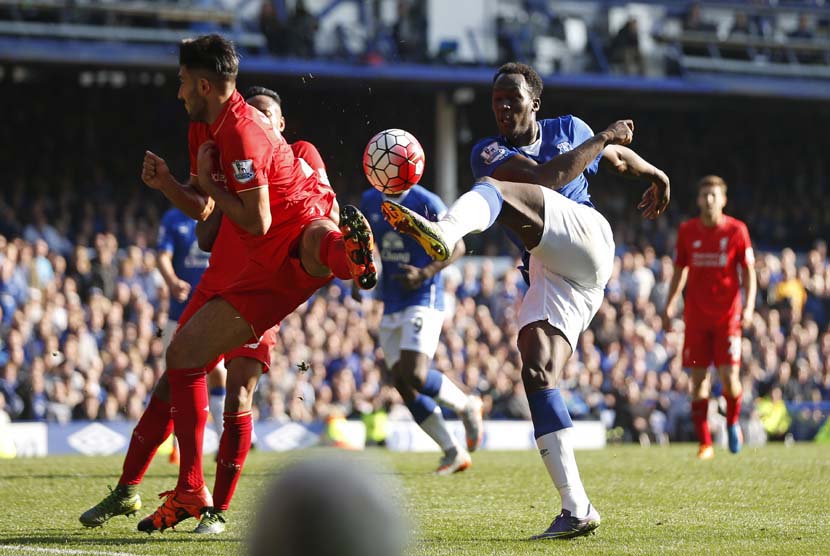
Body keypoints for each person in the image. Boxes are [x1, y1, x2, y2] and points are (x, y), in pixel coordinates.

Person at [381, 62, 670, 539]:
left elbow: (619, 159)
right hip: (552, 269)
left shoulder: (567, 129)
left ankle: (445, 231)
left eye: (511, 99)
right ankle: (577, 508)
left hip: (588, 237)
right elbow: (549, 178)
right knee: (535, 368)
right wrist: (604, 136)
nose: (502, 108)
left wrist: (653, 172)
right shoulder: (489, 151)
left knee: (494, 191)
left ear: (535, 102)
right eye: (496, 102)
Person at [131, 34, 377, 533]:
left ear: (204, 84)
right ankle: (191, 490)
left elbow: (259, 220)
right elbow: (206, 215)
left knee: (317, 240)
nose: (178, 93)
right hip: (262, 264)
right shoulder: (207, 129)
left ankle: (350, 259)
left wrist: (215, 184)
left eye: (182, 83)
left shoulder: (242, 133)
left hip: (285, 238)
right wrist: (177, 184)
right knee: (182, 356)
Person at [359, 180, 483, 475]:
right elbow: (364, 244)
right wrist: (357, 278)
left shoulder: (427, 201)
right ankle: (453, 452)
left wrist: (425, 272)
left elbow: (458, 246)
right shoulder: (368, 200)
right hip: (391, 300)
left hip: (423, 295)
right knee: (402, 383)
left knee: (413, 373)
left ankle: (466, 405)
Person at [662, 175, 756, 460]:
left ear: (723, 199)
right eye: (705, 195)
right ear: (699, 200)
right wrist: (669, 303)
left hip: (728, 318)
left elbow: (748, 272)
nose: (709, 200)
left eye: (714, 195)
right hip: (696, 318)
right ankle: (705, 443)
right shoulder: (687, 231)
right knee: (698, 380)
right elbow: (680, 270)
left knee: (730, 379)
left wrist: (749, 308)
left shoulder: (737, 231)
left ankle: (731, 422)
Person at [157, 207, 226, 453]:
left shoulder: (222, 213)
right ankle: (177, 444)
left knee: (217, 371)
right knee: (175, 379)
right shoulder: (174, 218)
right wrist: (173, 281)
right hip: (179, 314)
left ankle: (223, 439)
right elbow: (162, 255)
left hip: (212, 312)